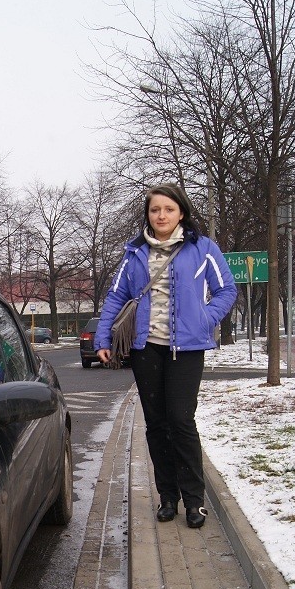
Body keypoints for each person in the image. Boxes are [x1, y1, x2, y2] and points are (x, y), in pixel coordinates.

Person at [95, 183, 237, 529]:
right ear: (148, 214)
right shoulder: (134, 253)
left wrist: (204, 317)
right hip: (147, 349)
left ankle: (194, 501)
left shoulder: (203, 249)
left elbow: (226, 290)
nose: (161, 215)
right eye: (155, 209)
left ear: (181, 213)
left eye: (168, 209)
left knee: (181, 421)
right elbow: (116, 298)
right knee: (156, 424)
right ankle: (168, 497)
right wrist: (104, 336)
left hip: (186, 349)